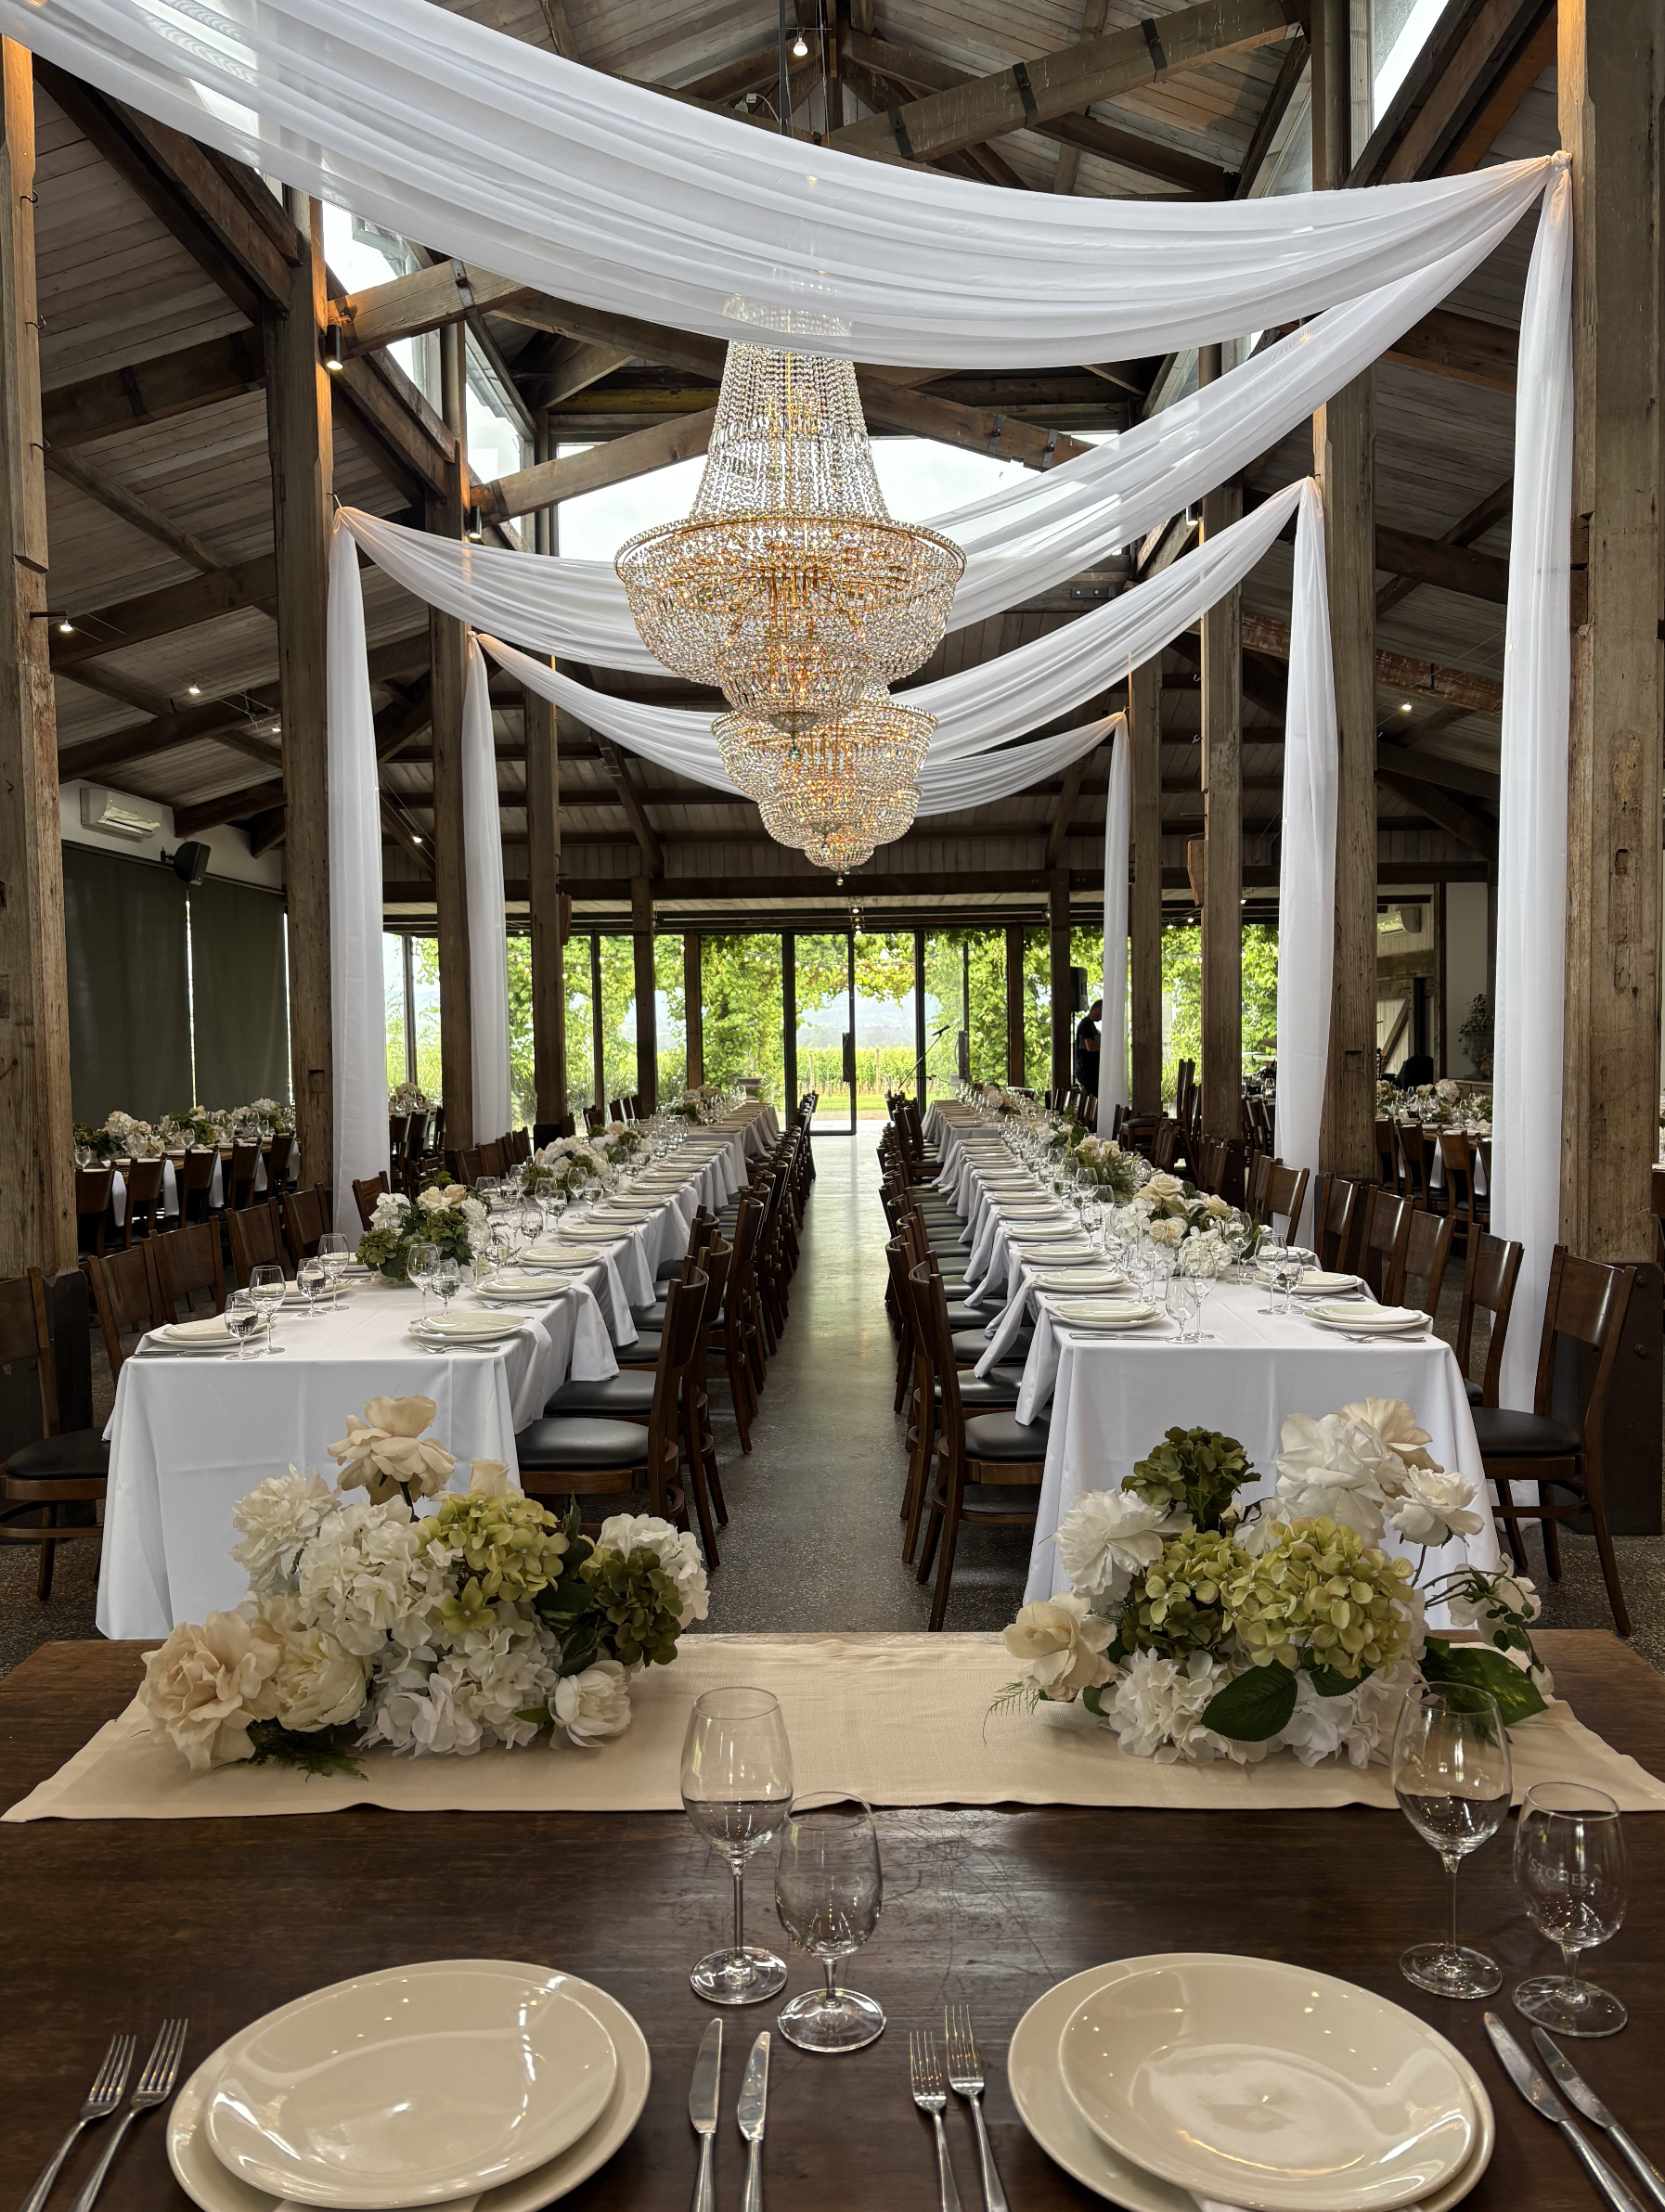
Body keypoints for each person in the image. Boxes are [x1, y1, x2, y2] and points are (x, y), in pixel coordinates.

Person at [1074, 998, 1102, 1093]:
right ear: (1099, 1009)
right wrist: (1105, 1048)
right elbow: (1090, 1046)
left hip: (1090, 1071)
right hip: (1087, 1072)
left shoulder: (1090, 1025)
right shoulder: (1086, 1025)